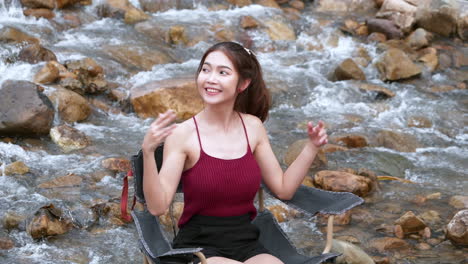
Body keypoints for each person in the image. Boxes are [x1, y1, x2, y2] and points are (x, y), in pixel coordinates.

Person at [141, 42, 328, 264]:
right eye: (205, 69)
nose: (210, 78)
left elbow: (284, 189)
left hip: (246, 242)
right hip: (199, 248)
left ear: (243, 83)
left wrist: (311, 147)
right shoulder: (183, 134)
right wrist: (148, 152)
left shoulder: (253, 127)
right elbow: (157, 206)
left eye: (223, 72)